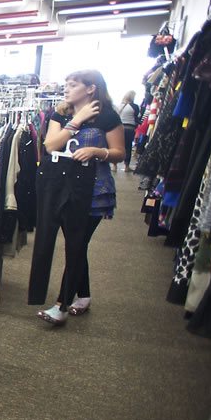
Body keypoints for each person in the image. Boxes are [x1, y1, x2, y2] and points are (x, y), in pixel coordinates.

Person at [31, 70, 125, 327]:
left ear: (91, 88)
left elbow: (120, 153)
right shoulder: (60, 113)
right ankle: (83, 296)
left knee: (77, 242)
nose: (67, 89)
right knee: (75, 244)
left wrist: (98, 151)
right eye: (67, 84)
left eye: (73, 85)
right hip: (62, 186)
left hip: (95, 190)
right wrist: (77, 120)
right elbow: (51, 145)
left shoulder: (107, 116)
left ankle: (61, 305)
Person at [118, 90, 140, 171]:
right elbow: (137, 118)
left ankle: (114, 165)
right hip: (130, 129)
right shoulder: (135, 107)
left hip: (120, 128)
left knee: (117, 146)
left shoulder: (120, 106)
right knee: (128, 147)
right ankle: (126, 166)